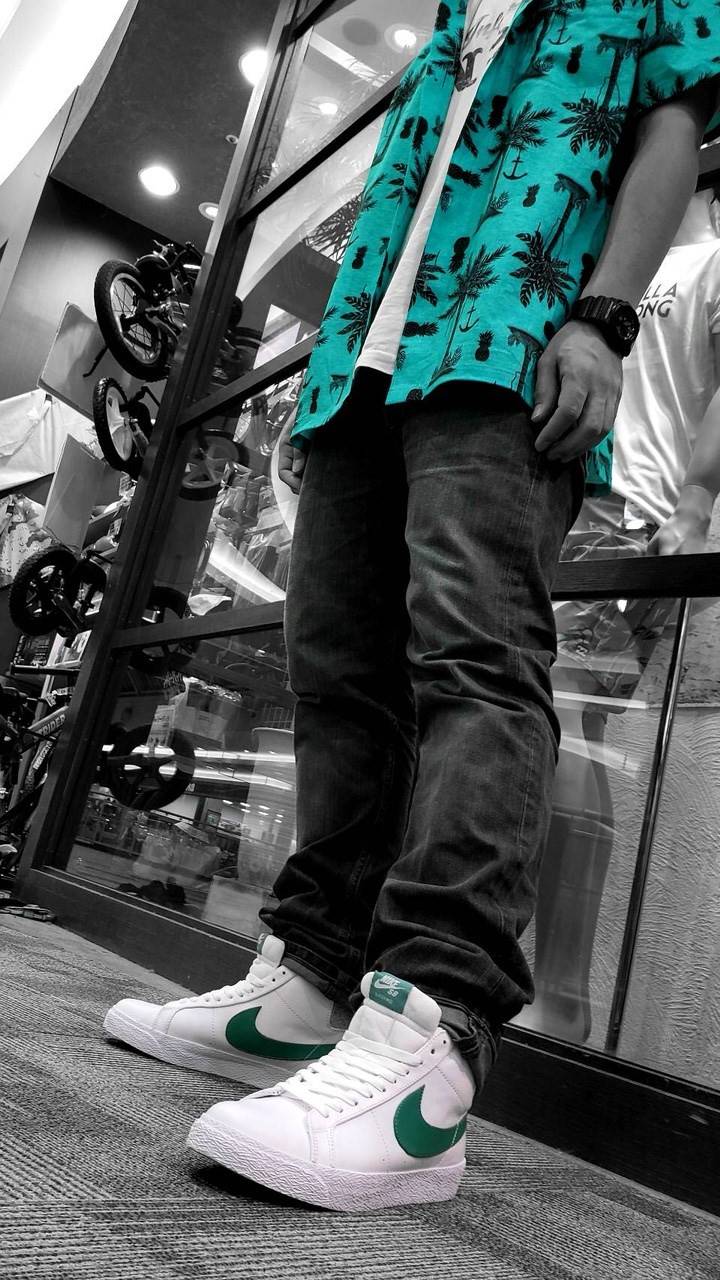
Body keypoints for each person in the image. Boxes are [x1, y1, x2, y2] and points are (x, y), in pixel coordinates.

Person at [104, 0, 720, 1213]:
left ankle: (429, 1033)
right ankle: (308, 982)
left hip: (509, 332)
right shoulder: (449, 15)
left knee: (476, 660)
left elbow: (673, 120)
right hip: (364, 362)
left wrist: (602, 316)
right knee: (337, 671)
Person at [521, 186, 720, 1043]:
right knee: (543, 725)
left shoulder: (709, 261)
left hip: (628, 515)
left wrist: (696, 502)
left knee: (564, 724)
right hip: (565, 506)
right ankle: (545, 985)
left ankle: (561, 994)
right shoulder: (615, 260)